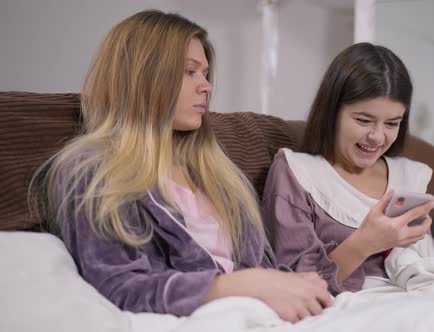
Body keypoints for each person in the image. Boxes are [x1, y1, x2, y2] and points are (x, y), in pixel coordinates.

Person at [28, 10, 331, 322]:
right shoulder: (92, 171)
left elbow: (264, 269)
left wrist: (293, 281)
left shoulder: (220, 173)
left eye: (206, 74)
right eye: (190, 72)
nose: (207, 87)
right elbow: (120, 287)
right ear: (143, 76)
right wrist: (235, 286)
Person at [261, 42, 434, 294]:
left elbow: (424, 259)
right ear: (331, 112)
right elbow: (293, 281)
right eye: (363, 120)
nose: (377, 137)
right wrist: (365, 243)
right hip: (353, 307)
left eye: (392, 123)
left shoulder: (410, 175)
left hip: (421, 296)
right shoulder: (297, 172)